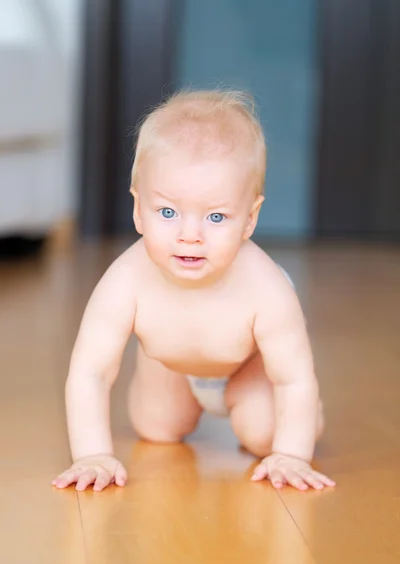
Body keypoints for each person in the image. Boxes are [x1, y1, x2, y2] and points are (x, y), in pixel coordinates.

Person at [52, 89, 336, 493]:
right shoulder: (125, 279)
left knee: (264, 436)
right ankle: (158, 365)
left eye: (216, 216)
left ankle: (300, 418)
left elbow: (293, 377)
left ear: (250, 219)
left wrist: (292, 454)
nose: (189, 236)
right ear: (138, 209)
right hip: (175, 363)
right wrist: (92, 454)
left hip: (249, 366)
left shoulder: (266, 287)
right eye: (167, 212)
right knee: (157, 428)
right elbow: (90, 372)